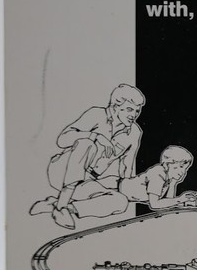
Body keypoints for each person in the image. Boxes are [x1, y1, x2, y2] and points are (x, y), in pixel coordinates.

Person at [29, 84, 145, 228]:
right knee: (86, 144)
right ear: (115, 106)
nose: (134, 115)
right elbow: (62, 140)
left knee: (121, 202)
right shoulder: (96, 114)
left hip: (87, 180)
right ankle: (61, 206)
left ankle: (60, 206)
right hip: (61, 171)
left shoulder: (134, 132)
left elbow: (127, 167)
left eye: (137, 110)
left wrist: (127, 188)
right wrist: (95, 136)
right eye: (129, 109)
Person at [31, 145, 197, 225]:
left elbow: (165, 204)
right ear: (168, 164)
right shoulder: (158, 174)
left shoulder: (167, 179)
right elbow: (155, 204)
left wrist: (175, 185)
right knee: (112, 201)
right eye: (180, 167)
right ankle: (56, 205)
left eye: (185, 169)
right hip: (111, 185)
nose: (183, 172)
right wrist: (180, 200)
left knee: (118, 202)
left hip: (116, 190)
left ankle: (56, 205)